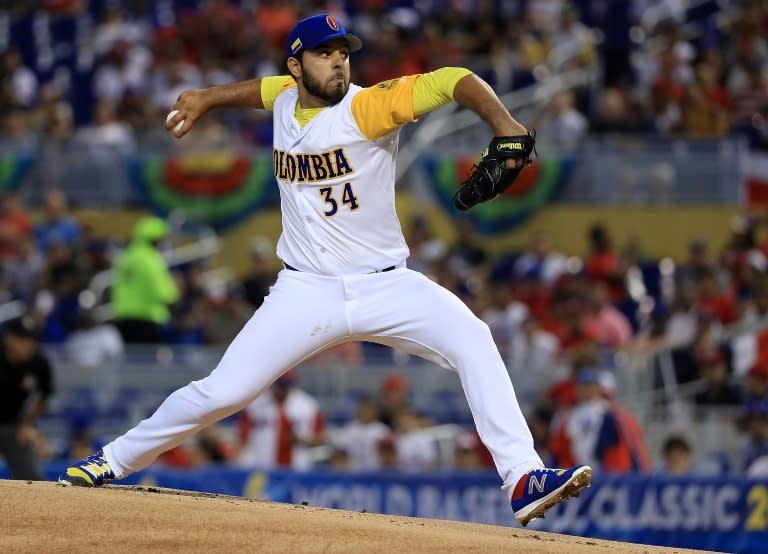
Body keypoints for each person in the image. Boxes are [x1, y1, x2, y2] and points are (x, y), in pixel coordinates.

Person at [61, 13, 591, 526]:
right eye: (325, 55)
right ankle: (112, 459)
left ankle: (522, 478)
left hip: (386, 283)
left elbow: (454, 79)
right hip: (305, 290)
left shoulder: (369, 108)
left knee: (474, 339)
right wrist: (207, 97)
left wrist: (505, 125)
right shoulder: (286, 98)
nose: (339, 63)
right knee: (223, 392)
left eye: (343, 54)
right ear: (297, 66)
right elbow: (264, 90)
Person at [0, 315, 54, 480]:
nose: (28, 345)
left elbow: (45, 396)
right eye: (22, 339)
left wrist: (28, 425)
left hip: (15, 425)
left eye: (31, 340)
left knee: (33, 479)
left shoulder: (39, 362)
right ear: (8, 339)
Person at [111, 216, 180, 343]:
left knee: (132, 359)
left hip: (124, 319)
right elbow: (165, 294)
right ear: (155, 239)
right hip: (148, 319)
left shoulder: (126, 256)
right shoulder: (150, 259)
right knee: (149, 360)